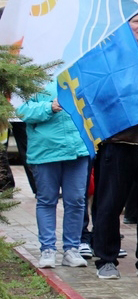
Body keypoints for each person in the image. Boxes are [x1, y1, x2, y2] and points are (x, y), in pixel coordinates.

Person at [92, 11, 138, 281]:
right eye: (137, 22)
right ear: (126, 27)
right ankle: (106, 259)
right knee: (109, 204)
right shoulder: (110, 58)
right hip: (118, 142)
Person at [17, 82, 91, 269]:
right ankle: (47, 249)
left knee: (76, 201)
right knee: (46, 200)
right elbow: (21, 111)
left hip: (78, 149)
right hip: (45, 151)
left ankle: (71, 249)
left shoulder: (75, 72)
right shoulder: (34, 78)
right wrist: (49, 106)